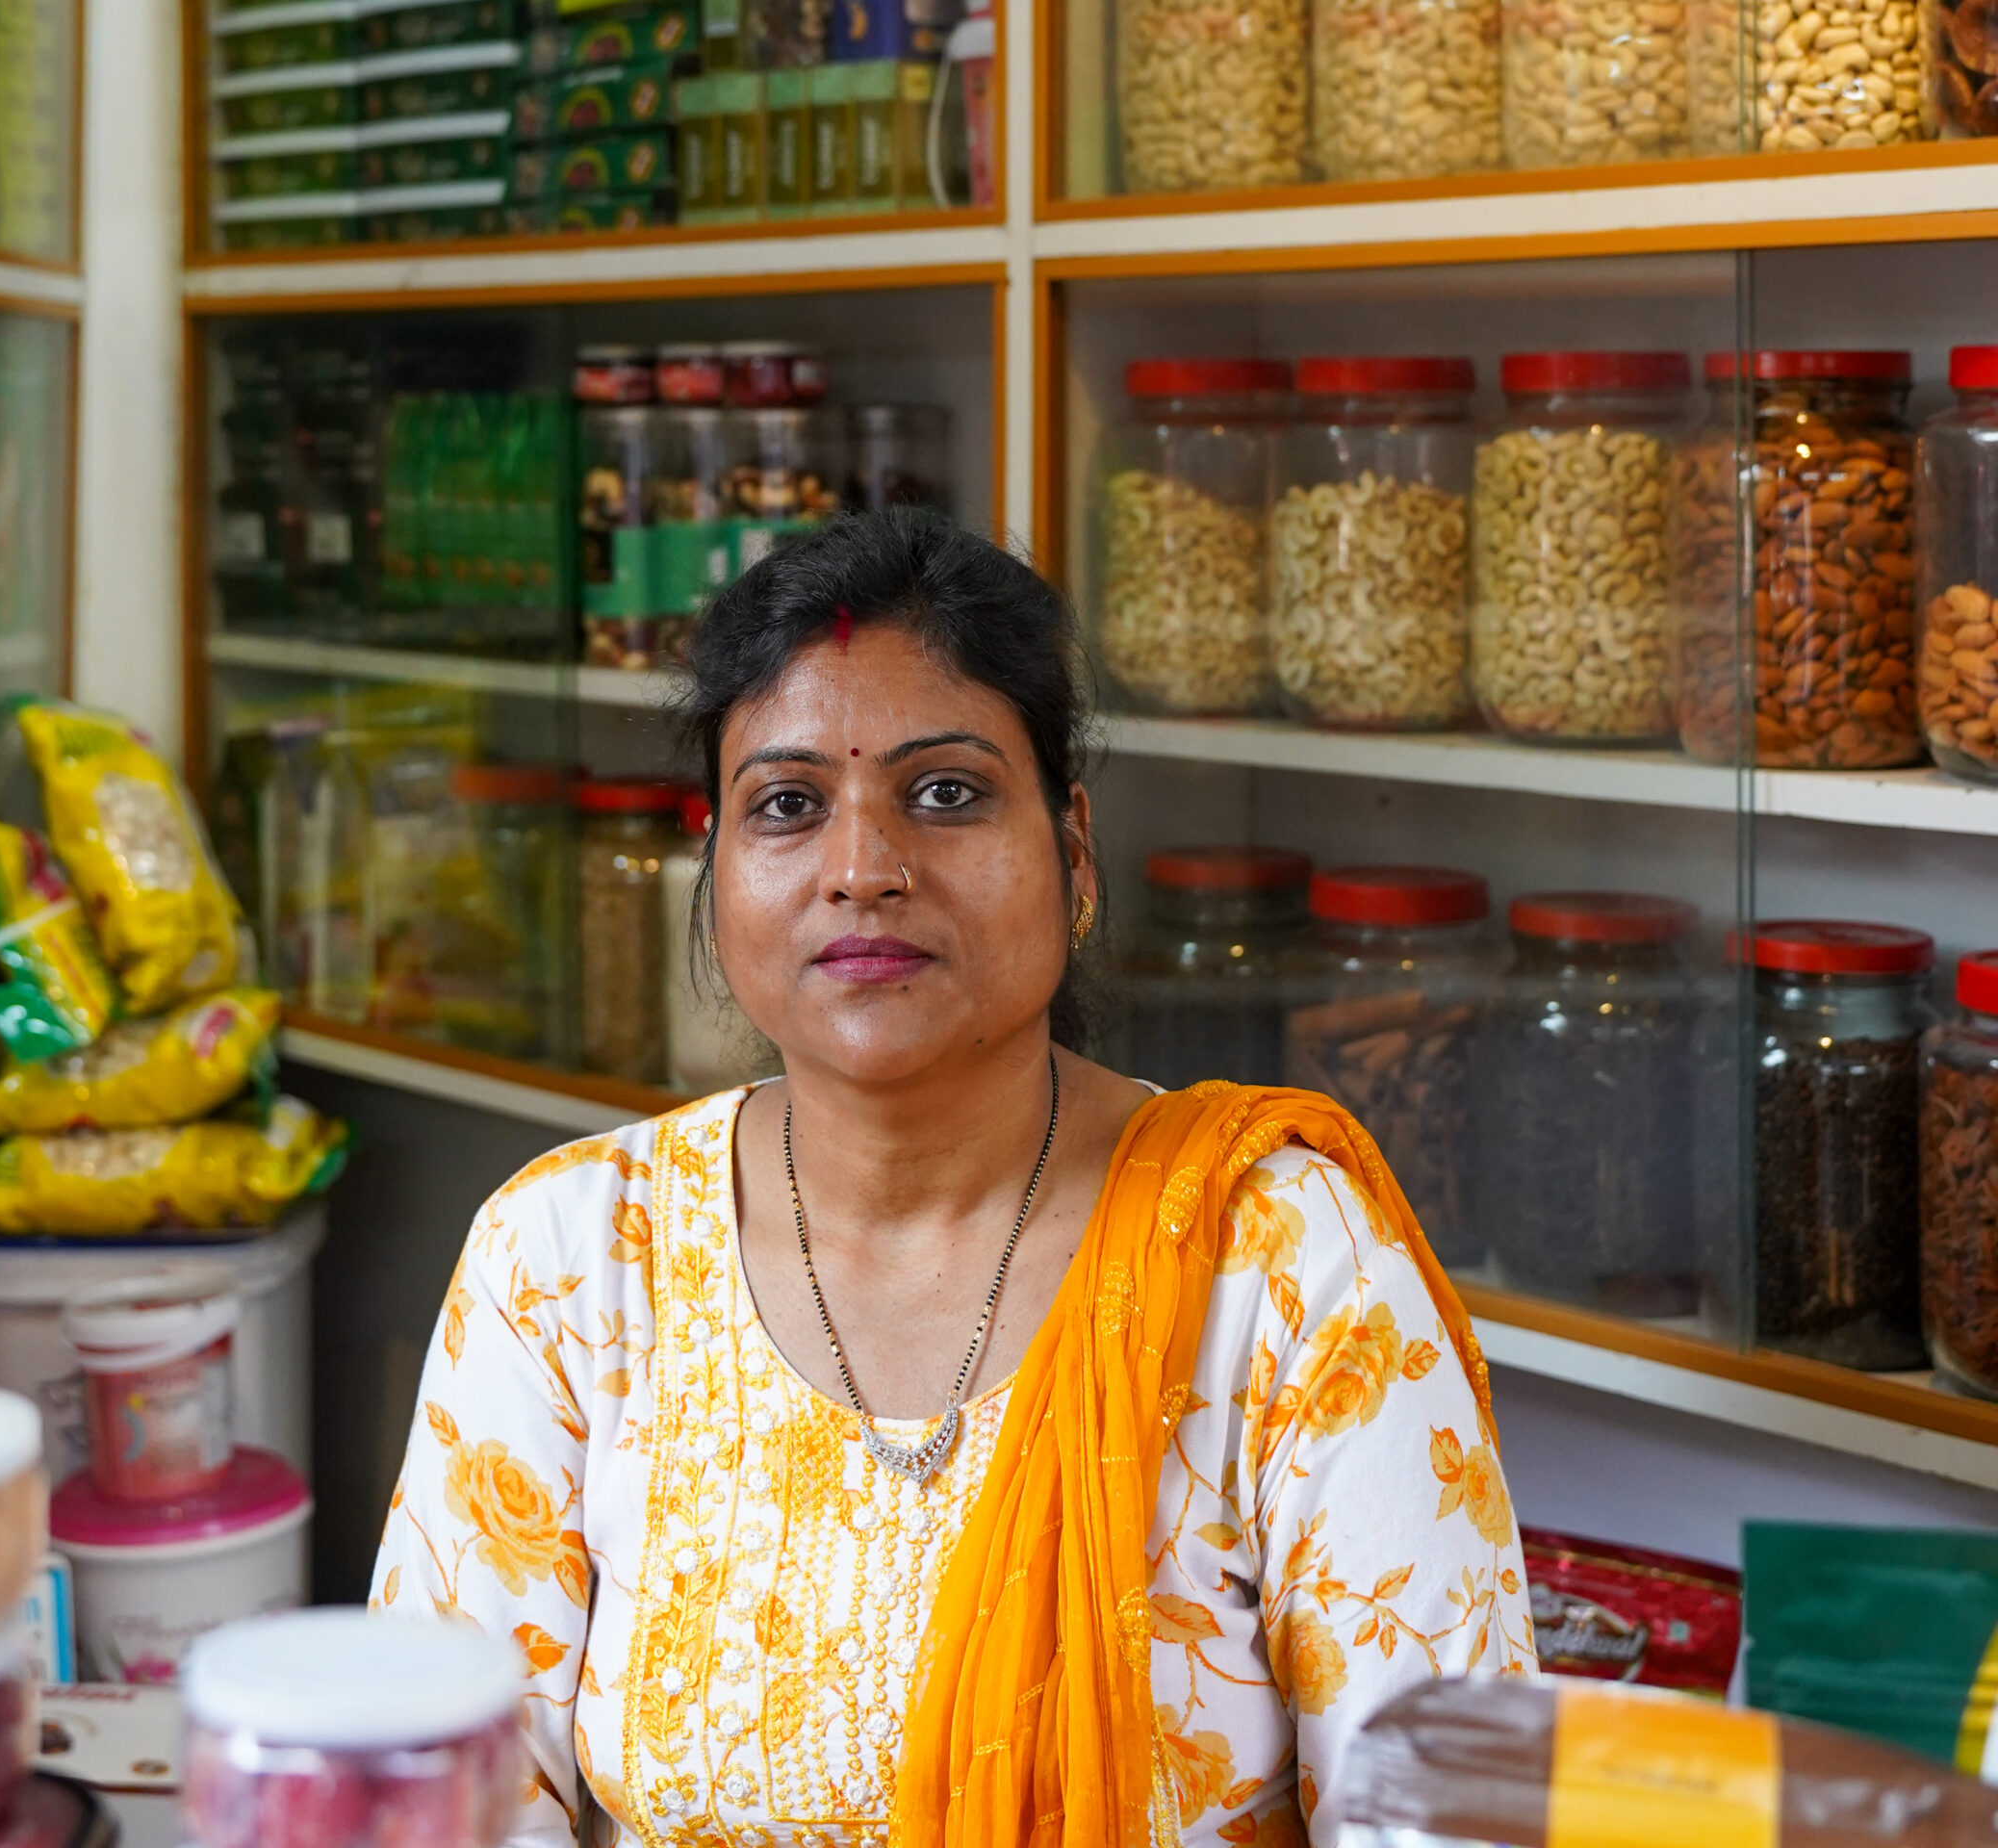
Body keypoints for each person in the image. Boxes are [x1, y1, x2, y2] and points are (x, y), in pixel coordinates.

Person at [371, 510, 1534, 1848]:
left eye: (945, 793)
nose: (862, 869)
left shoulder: (1278, 1265)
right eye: (788, 805)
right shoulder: (572, 1262)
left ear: (1075, 854)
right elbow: (442, 1804)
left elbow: (1450, 1821)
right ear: (720, 877)